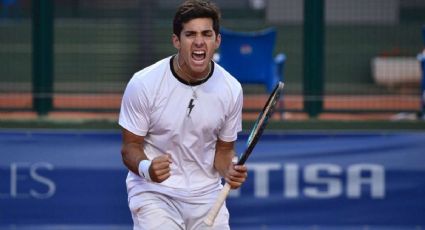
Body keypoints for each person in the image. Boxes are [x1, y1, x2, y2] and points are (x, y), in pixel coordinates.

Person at [118, 1, 248, 229]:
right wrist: (147, 168)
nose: (199, 42)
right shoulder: (143, 84)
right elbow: (130, 147)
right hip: (155, 193)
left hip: (207, 196)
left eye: (207, 34)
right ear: (176, 41)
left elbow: (224, 150)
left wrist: (229, 169)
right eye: (190, 34)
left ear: (217, 41)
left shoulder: (231, 89)